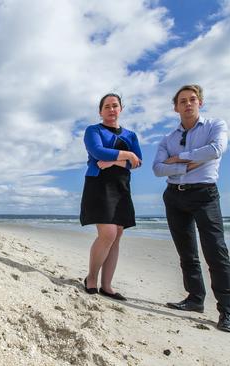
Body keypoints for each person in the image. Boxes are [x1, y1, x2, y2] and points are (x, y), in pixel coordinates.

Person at [152, 84, 230, 333]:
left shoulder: (215, 126)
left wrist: (179, 158)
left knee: (215, 251)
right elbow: (158, 168)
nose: (188, 104)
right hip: (174, 196)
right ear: (176, 107)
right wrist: (187, 166)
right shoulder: (168, 138)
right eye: (182, 101)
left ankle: (227, 312)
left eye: (192, 99)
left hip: (204, 194)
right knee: (187, 252)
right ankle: (194, 299)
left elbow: (216, 150)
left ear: (200, 102)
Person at [80, 93, 142, 301]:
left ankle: (107, 286)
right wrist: (127, 155)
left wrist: (115, 161)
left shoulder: (131, 135)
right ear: (100, 111)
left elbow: (138, 162)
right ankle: (91, 278)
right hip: (99, 184)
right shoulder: (93, 130)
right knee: (107, 233)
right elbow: (98, 152)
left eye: (115, 105)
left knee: (117, 236)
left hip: (121, 186)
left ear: (121, 109)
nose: (111, 109)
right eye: (107, 106)